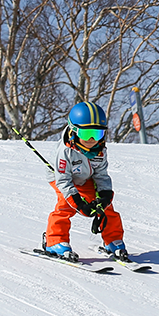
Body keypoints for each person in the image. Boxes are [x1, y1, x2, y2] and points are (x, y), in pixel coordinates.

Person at [44, 101, 128, 261]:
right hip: (61, 178)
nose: (91, 139)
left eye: (97, 134)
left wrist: (105, 195)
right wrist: (79, 203)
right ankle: (55, 241)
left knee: (106, 208)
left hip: (86, 177)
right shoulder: (65, 151)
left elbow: (101, 175)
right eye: (86, 133)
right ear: (74, 131)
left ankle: (112, 240)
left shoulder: (100, 150)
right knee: (65, 205)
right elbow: (63, 181)